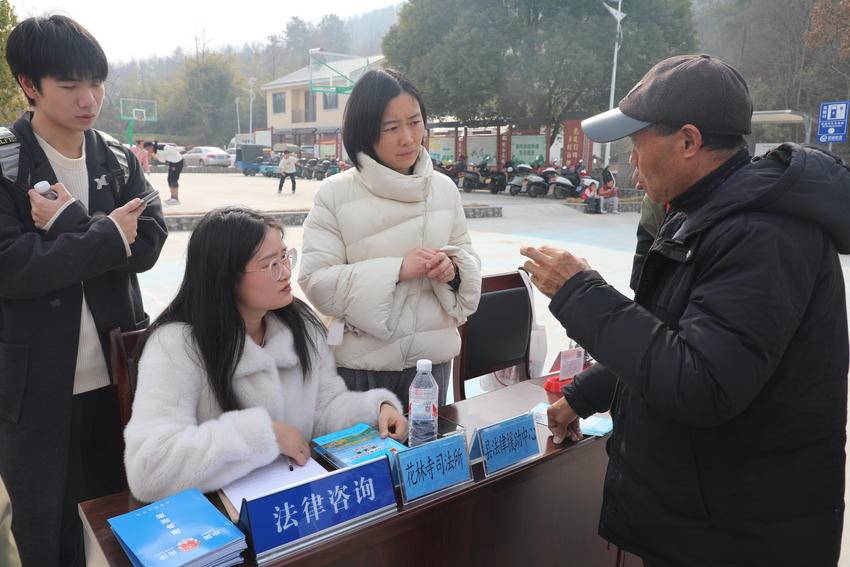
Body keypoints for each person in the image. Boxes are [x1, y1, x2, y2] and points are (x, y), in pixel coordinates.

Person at [521, 54, 849, 566]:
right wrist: (583, 395)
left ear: (689, 141)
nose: (631, 162)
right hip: (708, 517)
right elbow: (669, 332)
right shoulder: (705, 213)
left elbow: (703, 383)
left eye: (637, 143)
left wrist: (581, 293)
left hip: (742, 536)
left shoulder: (763, 233)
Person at [0, 15, 168, 566]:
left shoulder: (115, 158)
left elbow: (149, 243)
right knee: (46, 530)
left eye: (96, 83)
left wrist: (71, 224)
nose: (88, 99)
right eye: (70, 85)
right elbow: (14, 266)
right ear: (29, 85)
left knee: (129, 518)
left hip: (119, 375)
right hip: (33, 389)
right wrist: (107, 237)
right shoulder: (6, 162)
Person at [124, 208, 408, 502]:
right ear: (226, 277)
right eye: (271, 264)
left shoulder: (298, 325)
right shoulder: (176, 345)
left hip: (296, 496)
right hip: (219, 514)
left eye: (285, 256)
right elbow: (149, 468)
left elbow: (324, 407)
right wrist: (262, 436)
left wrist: (375, 411)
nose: (286, 272)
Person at [299, 69, 481, 409]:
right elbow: (316, 281)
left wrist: (453, 270)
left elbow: (469, 258)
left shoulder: (444, 189)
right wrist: (398, 270)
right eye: (392, 128)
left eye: (415, 122)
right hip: (360, 372)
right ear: (365, 132)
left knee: (430, 444)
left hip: (430, 367)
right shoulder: (335, 194)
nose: (408, 138)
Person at [145, 140, 183, 204]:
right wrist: (155, 156)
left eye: (147, 149)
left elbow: (174, 149)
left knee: (173, 180)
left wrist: (185, 148)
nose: (147, 151)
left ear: (151, 147)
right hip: (172, 163)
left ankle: (176, 199)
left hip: (177, 162)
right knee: (170, 179)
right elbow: (163, 160)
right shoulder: (156, 151)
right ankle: (173, 197)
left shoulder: (161, 147)